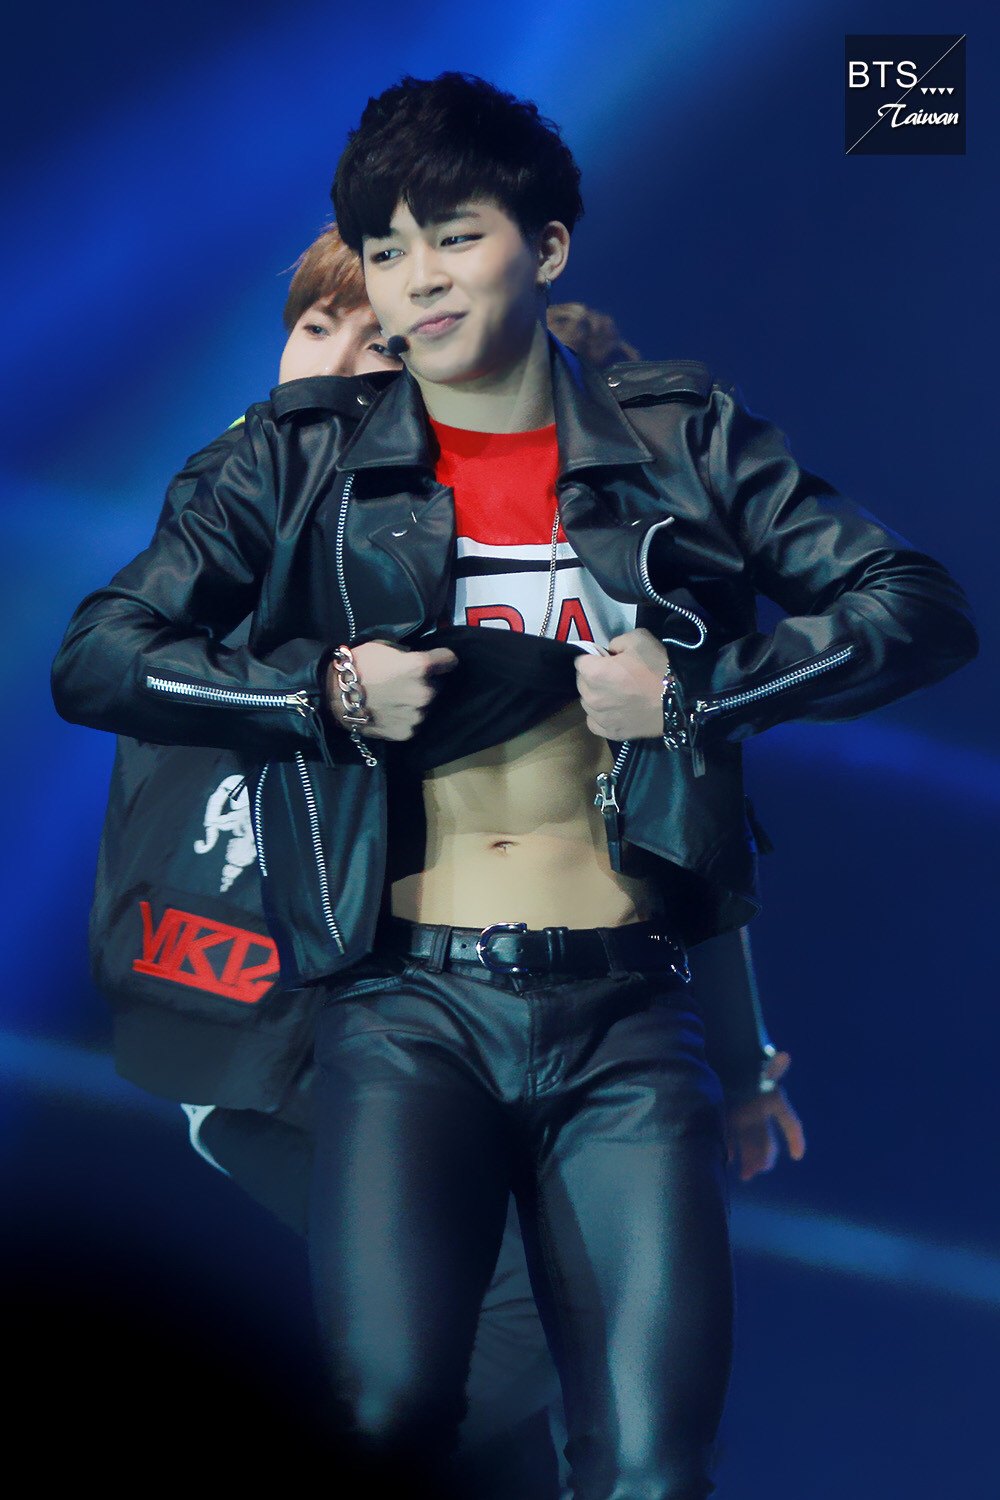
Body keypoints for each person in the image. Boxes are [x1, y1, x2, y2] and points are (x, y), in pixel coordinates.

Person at [52, 73, 976, 1499]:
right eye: (386, 250)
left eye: (453, 237)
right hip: (404, 1014)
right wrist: (322, 695)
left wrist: (699, 693)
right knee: (393, 1414)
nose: (416, 279)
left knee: (651, 1459)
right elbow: (99, 654)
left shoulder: (679, 439)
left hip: (626, 1018)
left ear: (545, 247)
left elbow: (914, 606)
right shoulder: (292, 465)